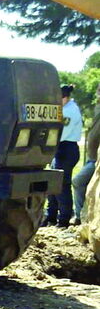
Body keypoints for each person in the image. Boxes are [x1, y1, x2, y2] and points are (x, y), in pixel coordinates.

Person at [45, 84, 82, 228]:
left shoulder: (70, 111)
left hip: (67, 149)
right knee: (52, 184)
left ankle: (64, 220)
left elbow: (59, 134)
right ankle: (51, 217)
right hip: (60, 148)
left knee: (61, 185)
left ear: (65, 97)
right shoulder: (63, 109)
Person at [72, 85, 100, 227]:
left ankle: (81, 217)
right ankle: (81, 217)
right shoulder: (97, 109)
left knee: (78, 181)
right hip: (92, 158)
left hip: (96, 160)